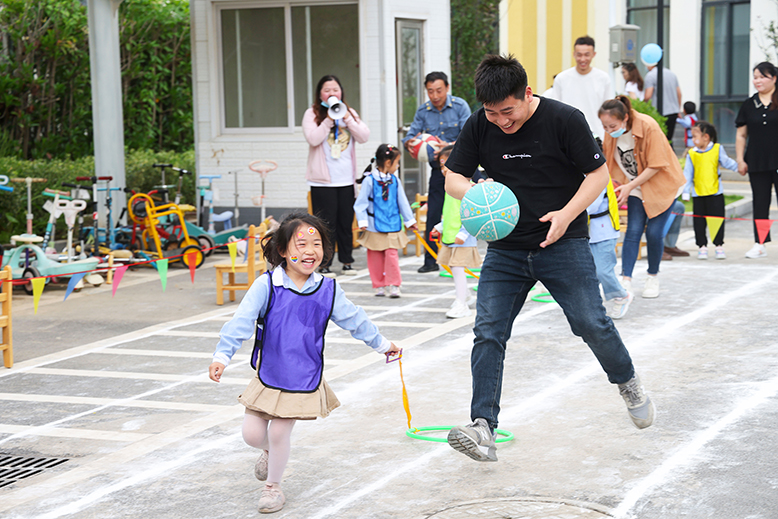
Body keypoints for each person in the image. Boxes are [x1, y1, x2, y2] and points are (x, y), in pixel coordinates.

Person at [443, 54, 655, 463]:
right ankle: (482, 427)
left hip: (562, 241)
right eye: (492, 113)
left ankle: (627, 382)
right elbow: (453, 174)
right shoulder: (479, 124)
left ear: (527, 93)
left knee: (591, 323)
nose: (501, 121)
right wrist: (472, 194)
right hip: (505, 247)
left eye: (508, 111)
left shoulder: (565, 120)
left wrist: (567, 214)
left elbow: (597, 176)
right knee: (488, 331)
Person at [209, 212, 400, 513]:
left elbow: (356, 320)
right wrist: (222, 355)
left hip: (303, 377)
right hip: (269, 375)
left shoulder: (328, 290)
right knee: (253, 435)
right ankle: (270, 453)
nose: (310, 251)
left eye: (317, 243)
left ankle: (273, 487)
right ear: (283, 250)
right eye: (301, 244)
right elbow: (241, 321)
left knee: (280, 431)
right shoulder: (267, 286)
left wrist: (383, 345)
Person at [599, 95, 685, 299]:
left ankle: (652, 277)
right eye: (605, 127)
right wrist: (621, 186)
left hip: (662, 184)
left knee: (654, 233)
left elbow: (656, 165)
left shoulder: (648, 126)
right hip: (635, 186)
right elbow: (607, 161)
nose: (609, 131)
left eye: (612, 125)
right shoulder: (610, 133)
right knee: (634, 230)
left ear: (625, 118)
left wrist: (629, 186)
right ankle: (626, 279)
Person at [403, 71, 472, 273]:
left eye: (439, 90)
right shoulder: (423, 111)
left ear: (447, 88)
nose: (435, 95)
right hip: (438, 170)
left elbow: (469, 135)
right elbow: (409, 135)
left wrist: (448, 145)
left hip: (462, 167)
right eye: (430, 91)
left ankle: (466, 255)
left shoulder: (460, 107)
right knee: (434, 212)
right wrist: (411, 143)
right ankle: (430, 260)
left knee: (468, 209)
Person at [303, 75, 370, 277]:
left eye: (335, 90)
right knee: (325, 225)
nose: (332, 94)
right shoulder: (312, 114)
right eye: (327, 90)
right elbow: (313, 139)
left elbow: (364, 136)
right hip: (322, 182)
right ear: (319, 94)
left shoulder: (350, 113)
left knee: (345, 222)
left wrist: (347, 118)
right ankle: (324, 264)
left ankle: (347, 262)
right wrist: (328, 120)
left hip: (346, 181)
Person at [354, 144, 417, 298]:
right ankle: (379, 285)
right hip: (374, 226)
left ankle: (394, 284)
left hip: (392, 225)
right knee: (374, 257)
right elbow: (360, 204)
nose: (398, 166)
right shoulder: (369, 180)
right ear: (388, 163)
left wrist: (410, 221)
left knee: (391, 256)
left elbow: (402, 201)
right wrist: (362, 221)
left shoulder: (395, 180)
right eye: (397, 162)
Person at [429, 145, 482, 319]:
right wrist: (440, 227)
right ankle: (464, 295)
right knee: (454, 267)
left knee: (458, 268)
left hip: (462, 238)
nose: (443, 169)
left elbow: (471, 214)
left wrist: (463, 233)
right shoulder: (449, 188)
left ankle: (462, 304)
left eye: (446, 164)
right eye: (441, 165)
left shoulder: (468, 188)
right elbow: (451, 213)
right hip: (450, 236)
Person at [735, 61, 778, 259]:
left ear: (774, 78)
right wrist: (739, 159)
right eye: (755, 77)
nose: (757, 81)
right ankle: (760, 243)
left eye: (762, 77)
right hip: (757, 161)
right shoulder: (749, 104)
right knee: (760, 203)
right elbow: (741, 135)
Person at [682, 121, 738, 260]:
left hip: (715, 193)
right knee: (699, 222)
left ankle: (718, 245)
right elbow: (687, 174)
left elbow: (726, 162)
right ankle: (702, 246)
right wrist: (685, 191)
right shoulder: (692, 154)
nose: (693, 140)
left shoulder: (717, 149)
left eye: (695, 137)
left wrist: (739, 167)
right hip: (698, 194)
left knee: (717, 220)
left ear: (706, 137)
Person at [587, 181, 634, 319]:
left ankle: (622, 295)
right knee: (589, 272)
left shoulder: (598, 175)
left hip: (604, 231)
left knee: (603, 271)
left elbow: (590, 206)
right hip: (586, 232)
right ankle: (591, 305)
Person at [553, 36, 613, 140]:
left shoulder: (603, 78)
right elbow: (554, 110)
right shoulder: (561, 79)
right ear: (573, 54)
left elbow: (609, 110)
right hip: (568, 136)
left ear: (594, 54)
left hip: (598, 136)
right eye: (579, 55)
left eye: (587, 55)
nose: (582, 59)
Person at [644, 61, 682, 144]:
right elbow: (679, 93)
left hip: (659, 113)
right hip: (673, 111)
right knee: (669, 139)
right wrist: (678, 109)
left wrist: (643, 106)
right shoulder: (672, 74)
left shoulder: (650, 76)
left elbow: (648, 96)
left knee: (659, 140)